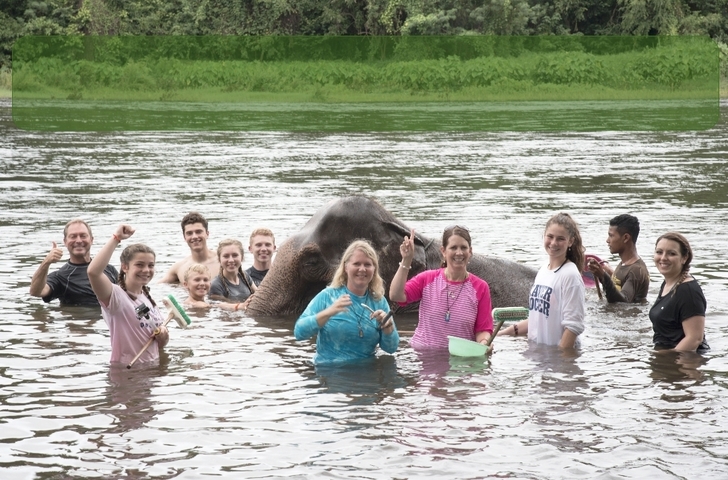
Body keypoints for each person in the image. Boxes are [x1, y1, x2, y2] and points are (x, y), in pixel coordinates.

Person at [294, 239, 399, 365]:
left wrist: (388, 327)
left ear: (374, 269)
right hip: (329, 371)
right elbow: (299, 333)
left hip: (366, 373)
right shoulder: (328, 296)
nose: (362, 269)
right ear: (346, 267)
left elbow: (391, 348)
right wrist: (328, 313)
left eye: (367, 264)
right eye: (356, 264)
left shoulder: (378, 301)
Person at [389, 226, 494, 350]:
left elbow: (483, 330)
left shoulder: (480, 287)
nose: (459, 253)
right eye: (453, 247)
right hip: (424, 358)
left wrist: (484, 343)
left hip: (460, 359)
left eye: (463, 248)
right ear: (443, 251)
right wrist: (406, 260)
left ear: (470, 251)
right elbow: (396, 295)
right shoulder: (427, 279)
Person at [499, 213, 586, 349]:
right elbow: (537, 317)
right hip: (538, 356)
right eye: (550, 236)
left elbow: (573, 326)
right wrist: (503, 334)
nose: (553, 243)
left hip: (557, 361)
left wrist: (559, 360)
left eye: (560, 239)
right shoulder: (543, 270)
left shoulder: (570, 275)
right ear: (544, 236)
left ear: (571, 241)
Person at [88, 225, 169, 365]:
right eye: (140, 265)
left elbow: (160, 345)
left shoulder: (148, 298)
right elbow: (93, 272)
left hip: (150, 373)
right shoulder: (115, 297)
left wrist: (163, 335)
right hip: (125, 375)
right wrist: (116, 238)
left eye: (151, 265)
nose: (146, 270)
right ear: (125, 267)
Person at [29, 218, 118, 306]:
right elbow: (36, 292)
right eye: (73, 236)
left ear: (91, 240)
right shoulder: (60, 277)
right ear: (65, 242)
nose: (78, 241)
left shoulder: (109, 269)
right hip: (77, 319)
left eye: (83, 236)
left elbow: (125, 297)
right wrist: (46, 262)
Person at [649, 232, 709, 353]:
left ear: (684, 258)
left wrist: (664, 356)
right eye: (659, 252)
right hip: (667, 356)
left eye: (671, 253)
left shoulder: (688, 291)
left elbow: (694, 339)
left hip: (682, 362)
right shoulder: (668, 283)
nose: (663, 258)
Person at [587, 214, 650, 303]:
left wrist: (603, 276)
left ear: (625, 238)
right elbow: (621, 284)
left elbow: (622, 302)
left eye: (611, 236)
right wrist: (608, 273)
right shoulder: (626, 263)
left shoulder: (636, 270)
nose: (607, 240)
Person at [159, 212, 219, 284]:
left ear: (207, 234)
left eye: (198, 232)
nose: (194, 237)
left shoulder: (223, 261)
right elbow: (157, 287)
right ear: (184, 237)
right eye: (189, 233)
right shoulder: (179, 268)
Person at [209, 239, 257, 305]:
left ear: (242, 257)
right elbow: (220, 306)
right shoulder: (216, 285)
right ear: (219, 259)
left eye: (235, 255)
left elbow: (259, 295)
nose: (231, 260)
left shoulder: (245, 276)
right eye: (226, 256)